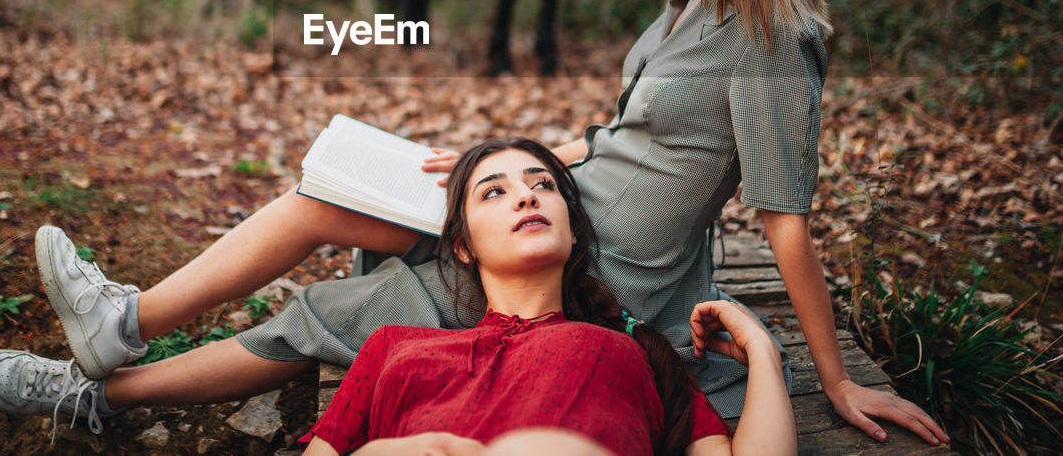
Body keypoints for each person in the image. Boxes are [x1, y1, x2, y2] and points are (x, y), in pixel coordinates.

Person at [0, 0, 948, 446]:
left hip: (604, 268)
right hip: (564, 204)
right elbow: (648, 136)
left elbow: (784, 220)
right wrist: (523, 155)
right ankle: (122, 319)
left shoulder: (775, 41)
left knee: (325, 315)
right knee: (328, 193)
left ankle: (96, 395)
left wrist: (833, 376)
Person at [298, 138, 795, 456]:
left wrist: (762, 352)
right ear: (463, 247)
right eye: (493, 192)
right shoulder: (391, 347)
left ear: (574, 232)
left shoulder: (642, 353)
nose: (527, 196)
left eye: (544, 185)